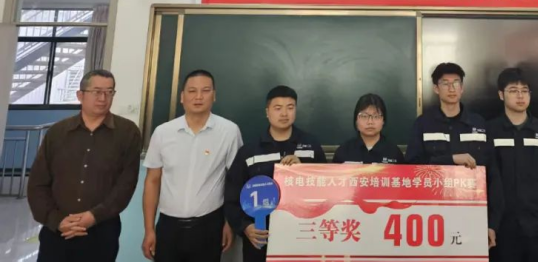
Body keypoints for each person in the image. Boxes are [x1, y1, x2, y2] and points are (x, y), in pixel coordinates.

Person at [27, 69, 142, 262]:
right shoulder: (58, 132)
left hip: (101, 232)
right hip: (57, 231)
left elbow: (126, 185)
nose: (103, 98)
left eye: (109, 92)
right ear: (80, 95)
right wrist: (57, 220)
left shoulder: (127, 133)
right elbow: (38, 183)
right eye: (97, 91)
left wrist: (93, 216)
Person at [141, 70, 243, 262]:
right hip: (168, 226)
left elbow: (236, 180)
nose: (198, 97)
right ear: (182, 96)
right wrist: (149, 229)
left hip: (210, 226)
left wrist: (230, 223)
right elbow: (152, 181)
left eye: (205, 90)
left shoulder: (229, 131)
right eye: (192, 91)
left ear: (214, 95)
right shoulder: (163, 133)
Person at [406, 62, 502, 250]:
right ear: (436, 88)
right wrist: (451, 160)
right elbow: (412, 169)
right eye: (445, 83)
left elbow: (493, 176)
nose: (451, 88)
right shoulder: (423, 124)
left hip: (472, 215)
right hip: (431, 217)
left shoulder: (479, 124)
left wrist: (492, 224)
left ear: (462, 88)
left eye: (456, 83)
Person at [224, 85, 326, 262]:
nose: (284, 113)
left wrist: (303, 171)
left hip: (302, 236)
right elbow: (232, 195)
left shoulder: (311, 146)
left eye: (290, 107)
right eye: (278, 108)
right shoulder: (250, 151)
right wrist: (245, 227)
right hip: (261, 239)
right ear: (267, 112)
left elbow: (326, 189)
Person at [488, 67, 538, 262]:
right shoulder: (489, 131)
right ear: (501, 95)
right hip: (503, 226)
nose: (520, 96)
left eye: (524, 90)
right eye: (513, 90)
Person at [333, 93, 404, 164]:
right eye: (364, 116)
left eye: (376, 116)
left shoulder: (394, 153)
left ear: (383, 121)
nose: (370, 122)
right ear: (356, 120)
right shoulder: (343, 152)